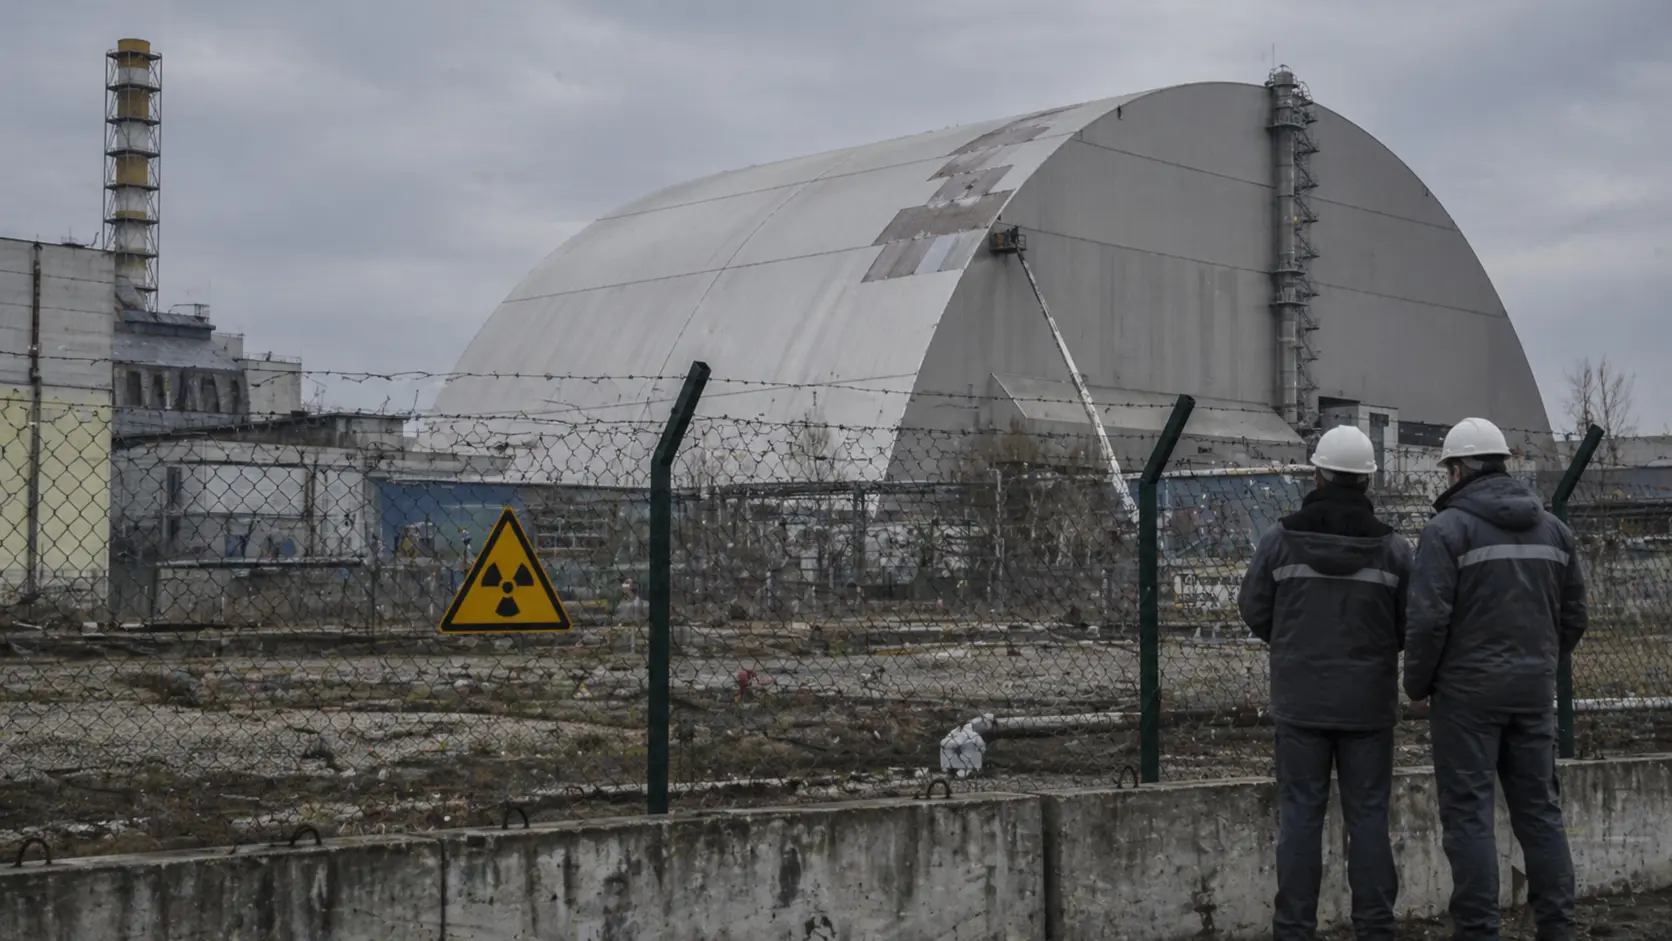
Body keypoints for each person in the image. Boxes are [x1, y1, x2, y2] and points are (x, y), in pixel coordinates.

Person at [1404, 417, 1588, 940]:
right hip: (1532, 694)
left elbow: (1428, 620)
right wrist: (1539, 664)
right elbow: (1574, 617)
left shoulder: (1446, 531)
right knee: (1540, 815)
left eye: (1448, 471)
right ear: (1502, 463)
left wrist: (1418, 685)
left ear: (1459, 469)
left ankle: (1479, 931)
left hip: (1466, 698)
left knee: (1468, 818)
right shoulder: (1554, 529)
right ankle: (1558, 928)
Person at [1239, 424, 1412, 941]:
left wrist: (1292, 645)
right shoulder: (1395, 549)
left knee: (1300, 819)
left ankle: (1294, 929)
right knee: (1368, 820)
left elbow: (1254, 608)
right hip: (1368, 707)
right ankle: (1375, 928)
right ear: (1367, 482)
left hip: (1301, 703)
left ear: (1316, 474)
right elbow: (1410, 624)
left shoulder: (1280, 540)